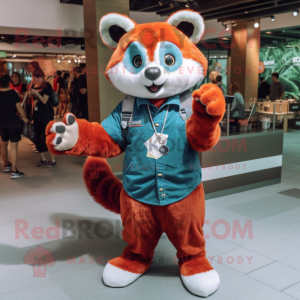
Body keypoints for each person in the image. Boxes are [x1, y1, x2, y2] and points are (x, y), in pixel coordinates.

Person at [0, 75, 29, 178]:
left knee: (3, 144)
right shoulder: (13, 93)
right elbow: (19, 107)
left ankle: (6, 165)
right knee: (14, 147)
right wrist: (25, 118)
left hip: (2, 124)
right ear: (9, 82)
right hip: (12, 123)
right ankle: (14, 170)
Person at [29, 68, 56, 168]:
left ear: (43, 77)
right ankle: (43, 159)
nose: (37, 79)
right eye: (36, 77)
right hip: (36, 115)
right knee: (37, 137)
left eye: (39, 77)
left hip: (46, 115)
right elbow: (32, 101)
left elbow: (44, 100)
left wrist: (36, 93)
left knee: (48, 137)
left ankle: (52, 160)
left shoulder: (46, 85)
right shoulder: (33, 85)